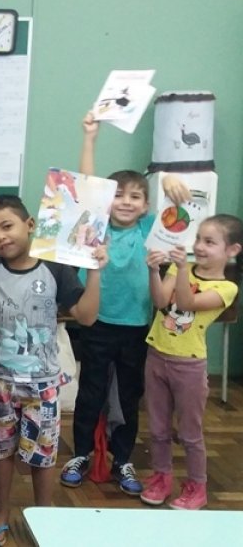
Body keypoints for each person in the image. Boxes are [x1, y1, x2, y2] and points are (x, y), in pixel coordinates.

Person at [0, 194, 106, 545]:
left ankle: (44, 513)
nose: (1, 238)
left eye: (7, 226)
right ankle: (0, 512)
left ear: (30, 225)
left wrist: (95, 274)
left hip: (43, 386)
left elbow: (86, 316)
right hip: (1, 384)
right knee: (0, 452)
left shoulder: (55, 267)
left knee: (43, 456)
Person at [61, 112, 190, 496]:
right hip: (96, 323)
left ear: (146, 205)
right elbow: (87, 186)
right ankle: (81, 452)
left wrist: (168, 178)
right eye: (118, 194)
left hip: (136, 327)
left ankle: (123, 458)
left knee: (128, 397)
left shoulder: (149, 229)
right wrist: (89, 138)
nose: (126, 202)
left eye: (135, 196)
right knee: (91, 393)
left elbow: (182, 209)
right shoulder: (94, 224)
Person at [139, 215, 241, 510]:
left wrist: (183, 270)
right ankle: (162, 478)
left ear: (232, 250)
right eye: (198, 239)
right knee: (157, 428)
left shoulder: (227, 288)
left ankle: (197, 486)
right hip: (156, 355)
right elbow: (161, 302)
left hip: (189, 366)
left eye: (209, 242)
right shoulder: (178, 268)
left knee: (189, 433)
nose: (200, 246)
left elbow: (185, 304)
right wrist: (154, 270)